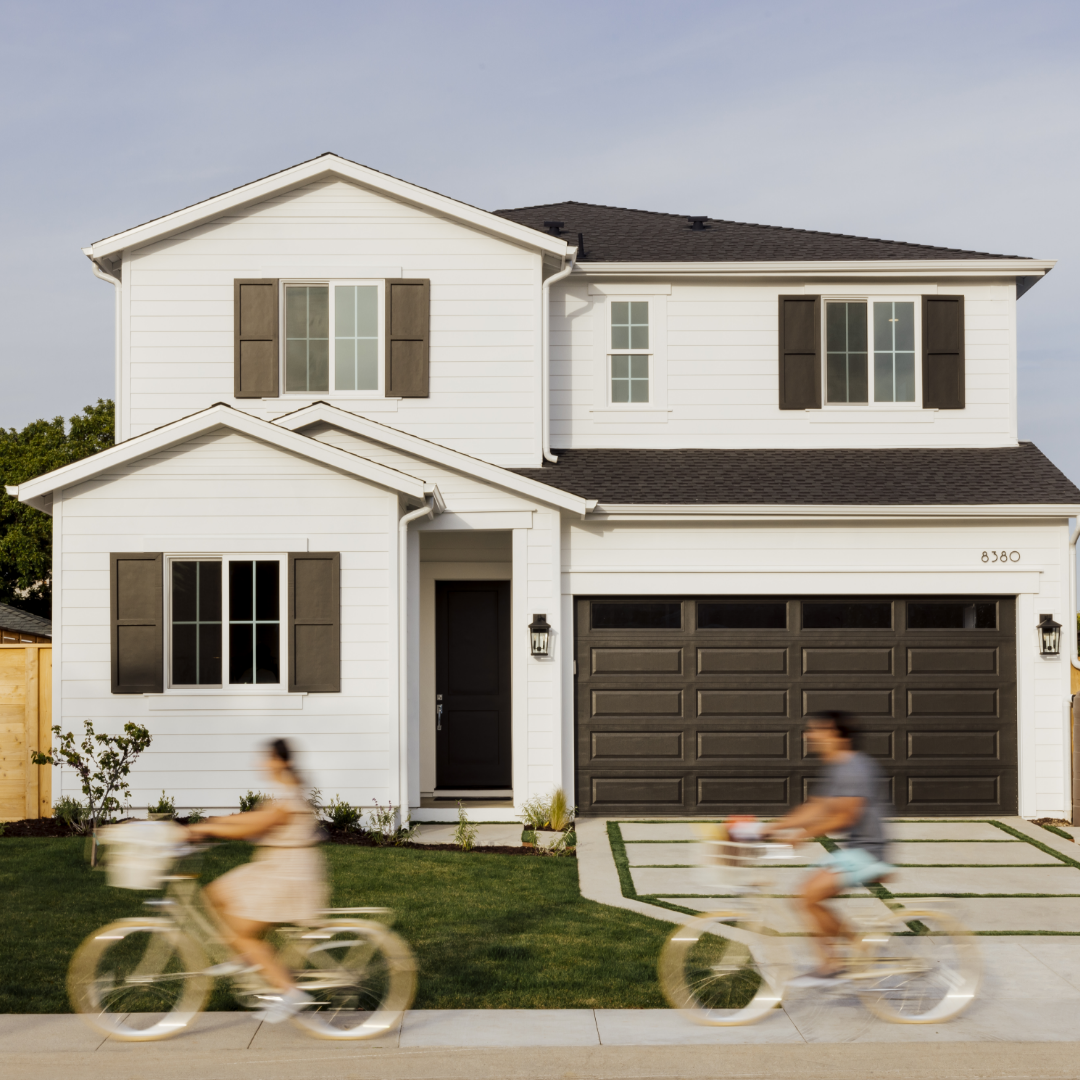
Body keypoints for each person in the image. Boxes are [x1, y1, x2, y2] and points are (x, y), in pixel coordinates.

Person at [185, 738, 328, 1021]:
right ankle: (248, 959)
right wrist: (213, 823)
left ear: (283, 762)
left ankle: (289, 991)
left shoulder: (290, 796)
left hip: (289, 874)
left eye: (269, 758)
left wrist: (212, 829)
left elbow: (255, 826)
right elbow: (250, 818)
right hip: (273, 867)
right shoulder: (284, 792)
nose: (263, 763)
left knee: (241, 932)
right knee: (215, 894)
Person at [760, 711, 893, 987]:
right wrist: (770, 828)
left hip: (869, 852)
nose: (810, 735)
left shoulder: (854, 768)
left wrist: (802, 835)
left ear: (836, 734)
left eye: (817, 730)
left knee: (808, 897)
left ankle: (841, 958)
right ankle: (842, 956)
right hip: (855, 850)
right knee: (806, 898)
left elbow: (845, 816)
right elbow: (816, 808)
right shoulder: (837, 766)